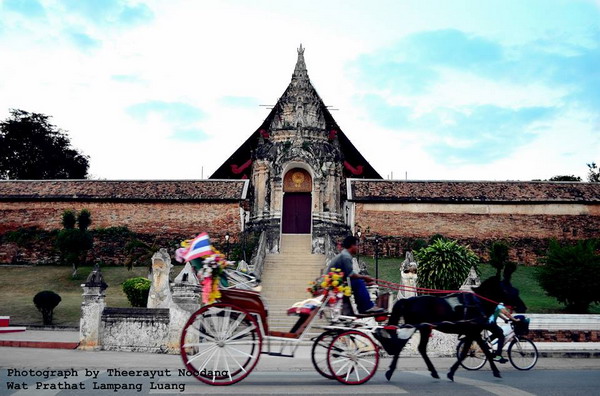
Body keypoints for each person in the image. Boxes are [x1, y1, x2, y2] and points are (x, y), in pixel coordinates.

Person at [327, 235, 385, 314]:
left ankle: (363, 307)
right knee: (358, 282)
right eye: (357, 245)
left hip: (338, 281)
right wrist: (365, 277)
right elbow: (350, 275)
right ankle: (366, 307)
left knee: (359, 282)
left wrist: (365, 281)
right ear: (352, 245)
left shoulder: (345, 255)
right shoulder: (346, 256)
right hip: (333, 283)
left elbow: (349, 274)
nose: (358, 248)